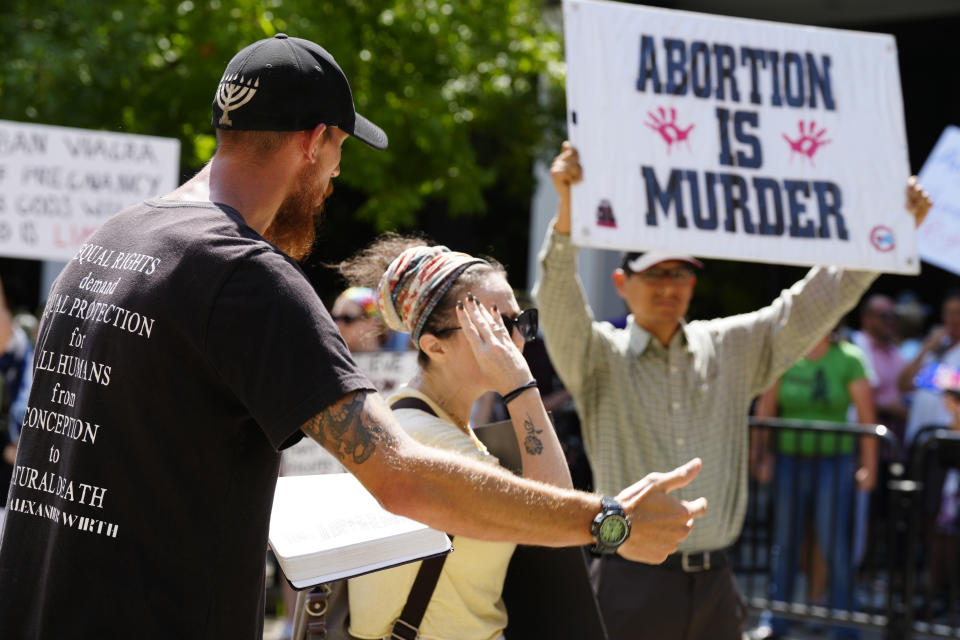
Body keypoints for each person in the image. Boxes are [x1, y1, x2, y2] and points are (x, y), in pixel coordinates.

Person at [0, 36, 707, 639]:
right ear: (316, 142)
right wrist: (606, 520)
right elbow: (401, 476)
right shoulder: (245, 276)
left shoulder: (112, 240)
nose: (336, 178)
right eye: (340, 154)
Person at [535, 142, 931, 640]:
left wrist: (889, 231)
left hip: (718, 587)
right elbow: (558, 301)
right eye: (654, 273)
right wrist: (568, 210)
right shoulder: (599, 356)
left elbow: (815, 301)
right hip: (628, 582)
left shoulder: (728, 347)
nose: (668, 286)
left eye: (679, 273)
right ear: (621, 282)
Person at [340, 237, 571, 640]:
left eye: (521, 322)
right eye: (492, 326)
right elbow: (559, 515)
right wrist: (521, 387)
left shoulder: (428, 423)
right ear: (433, 346)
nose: (515, 342)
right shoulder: (429, 438)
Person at [754, 331, 877, 640]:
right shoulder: (785, 354)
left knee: (834, 544)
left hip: (833, 464)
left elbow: (866, 416)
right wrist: (761, 456)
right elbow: (765, 408)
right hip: (787, 461)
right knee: (785, 541)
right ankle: (777, 618)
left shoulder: (849, 357)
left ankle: (844, 624)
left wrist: (869, 465)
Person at [900, 289, 960, 446]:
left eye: (958, 313)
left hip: (949, 439)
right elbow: (903, 384)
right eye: (949, 313)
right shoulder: (933, 347)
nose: (953, 319)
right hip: (919, 436)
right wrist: (926, 347)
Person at [852, 295, 908, 447]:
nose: (890, 320)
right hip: (862, 438)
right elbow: (853, 398)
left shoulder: (897, 354)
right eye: (884, 316)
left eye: (893, 316)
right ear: (866, 318)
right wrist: (888, 409)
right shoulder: (854, 346)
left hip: (892, 442)